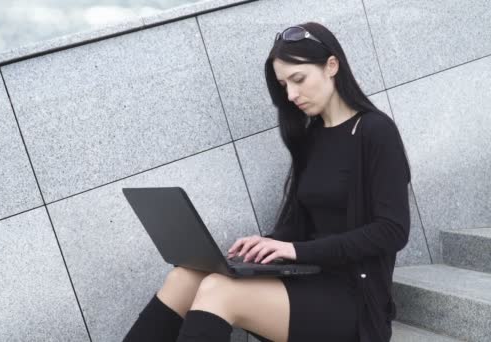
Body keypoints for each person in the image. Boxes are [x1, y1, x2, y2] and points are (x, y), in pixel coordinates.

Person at [123, 21, 411, 342]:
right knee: (184, 278)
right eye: (284, 84)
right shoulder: (312, 137)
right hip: (306, 280)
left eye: (298, 79)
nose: (291, 94)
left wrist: (294, 250)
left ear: (332, 66)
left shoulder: (375, 131)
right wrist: (265, 245)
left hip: (353, 298)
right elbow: (302, 225)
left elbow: (392, 230)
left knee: (219, 291)